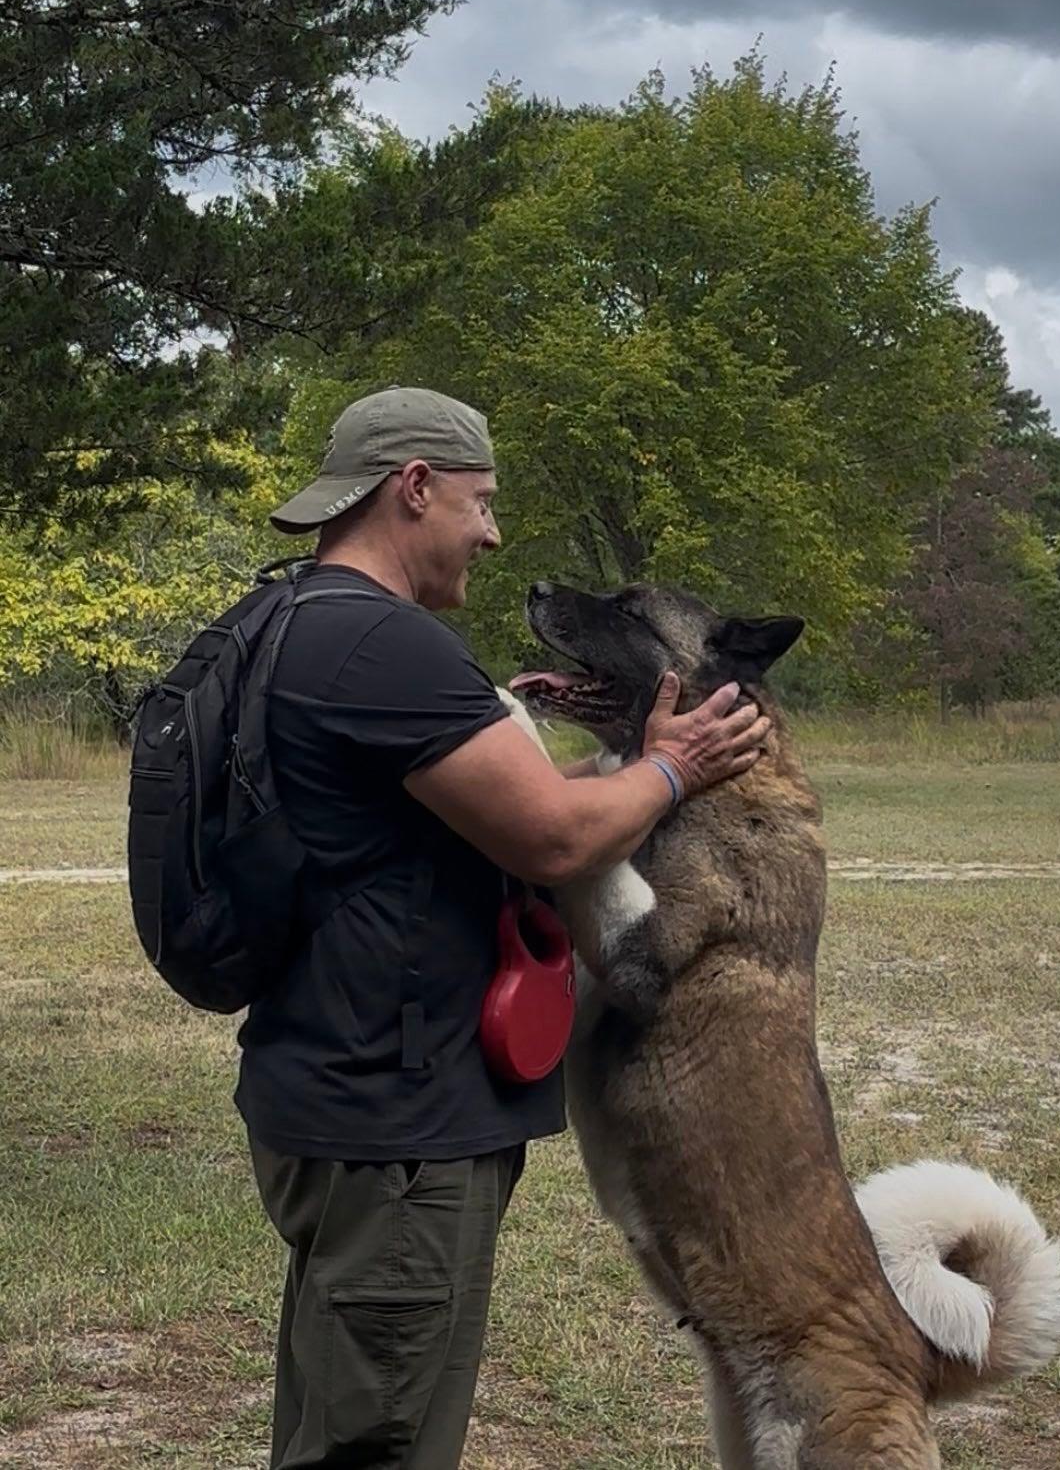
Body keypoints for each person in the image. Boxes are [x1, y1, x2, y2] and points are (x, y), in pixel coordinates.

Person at [240, 386, 771, 1469]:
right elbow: (558, 844)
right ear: (416, 486)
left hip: (333, 1091)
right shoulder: (387, 646)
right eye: (479, 502)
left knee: (333, 1416)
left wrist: (629, 769)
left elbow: (496, 808)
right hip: (399, 1133)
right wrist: (678, 767)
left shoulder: (293, 616)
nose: (493, 530)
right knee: (378, 1442)